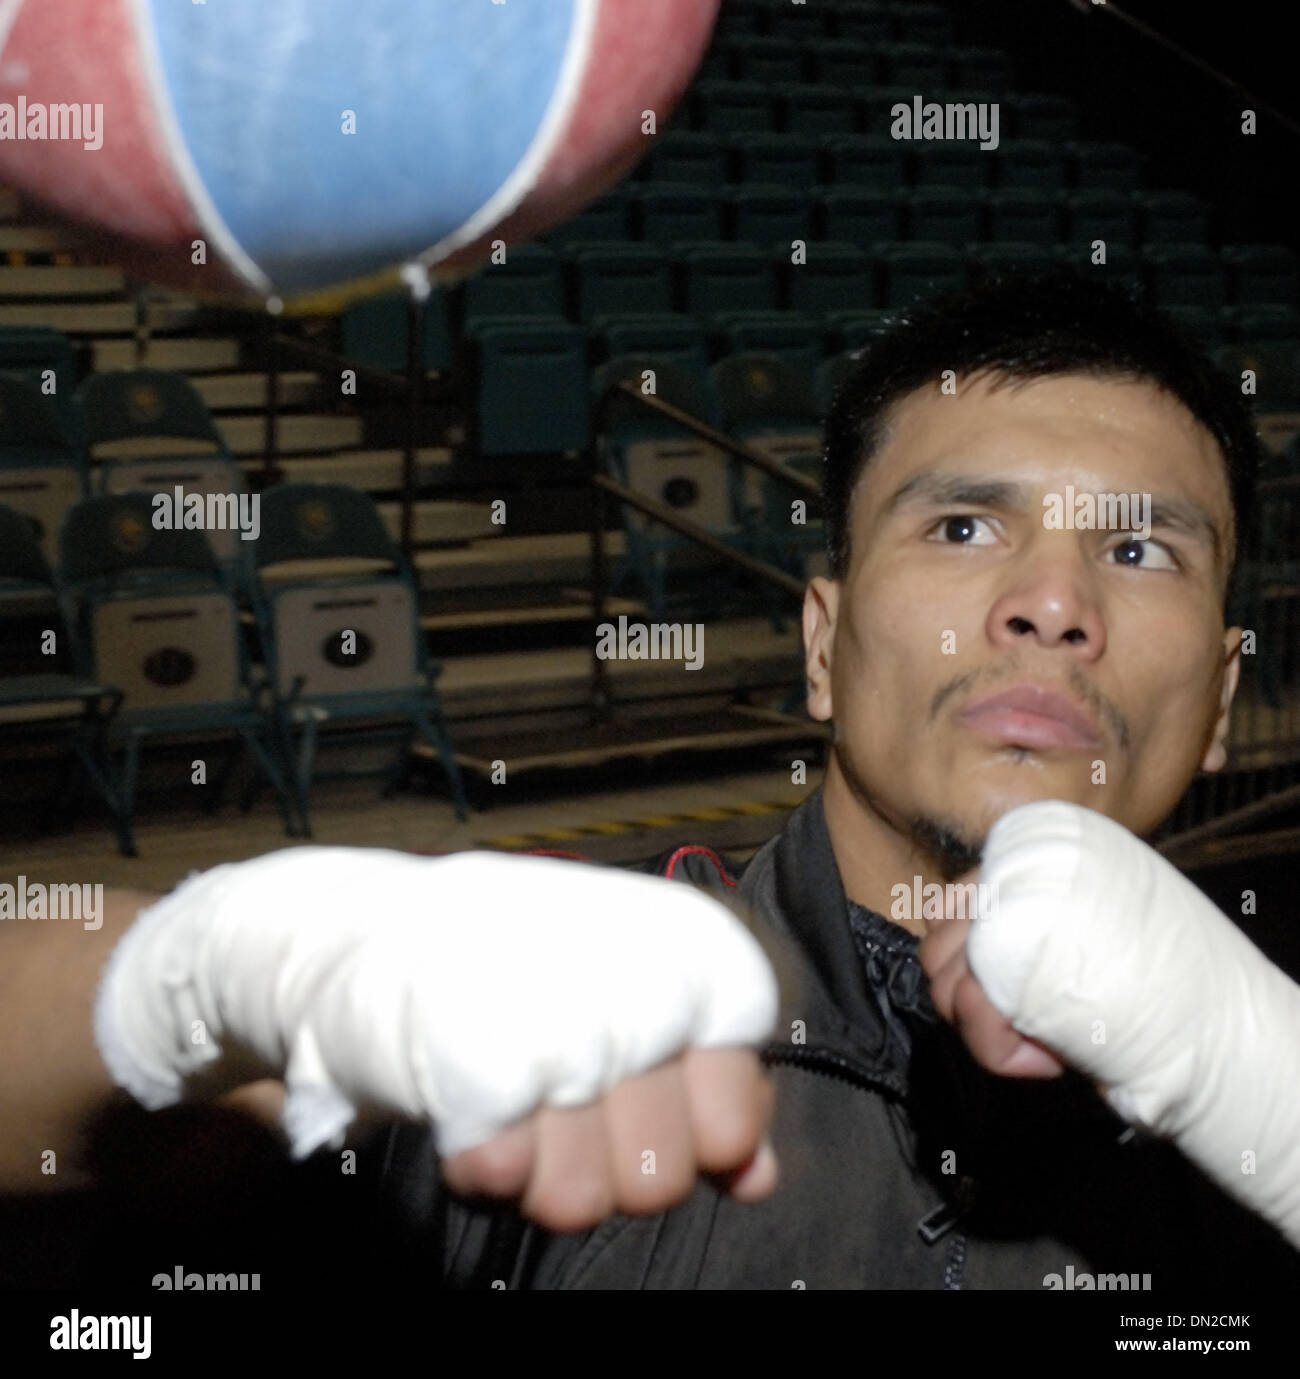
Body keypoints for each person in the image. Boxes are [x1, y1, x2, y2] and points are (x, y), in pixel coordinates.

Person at [3, 271, 1297, 1290]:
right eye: (963, 526)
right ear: (820, 647)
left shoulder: (1271, 1049)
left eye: (1140, 547)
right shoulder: (550, 1002)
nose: (1054, 602)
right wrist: (215, 981)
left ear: (1225, 703)